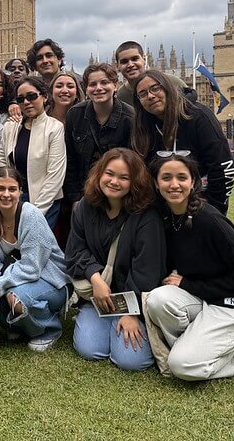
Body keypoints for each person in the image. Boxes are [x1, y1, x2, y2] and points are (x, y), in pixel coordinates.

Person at [145, 154, 234, 381]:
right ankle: (197, 345)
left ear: (193, 182)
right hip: (202, 298)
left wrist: (187, 284)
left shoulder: (210, 221)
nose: (174, 184)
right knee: (157, 300)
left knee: (182, 367)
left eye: (182, 177)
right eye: (166, 178)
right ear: (156, 184)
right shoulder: (167, 218)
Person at [65, 148, 165, 370]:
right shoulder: (85, 207)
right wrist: (95, 278)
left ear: (134, 182)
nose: (114, 181)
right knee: (89, 349)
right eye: (109, 173)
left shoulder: (146, 217)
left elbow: (147, 269)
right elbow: (74, 251)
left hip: (133, 300)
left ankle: (124, 324)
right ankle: (99, 321)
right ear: (99, 173)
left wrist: (130, 312)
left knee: (130, 361)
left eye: (124, 177)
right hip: (97, 297)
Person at [0, 167, 70, 352]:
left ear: (20, 192)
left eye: (12, 189)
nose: (6, 194)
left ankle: (50, 329)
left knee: (15, 296)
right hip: (17, 279)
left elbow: (31, 267)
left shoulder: (31, 215)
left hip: (52, 280)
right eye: (0, 188)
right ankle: (21, 326)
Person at [131, 70, 234, 214]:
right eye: (142, 94)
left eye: (155, 88)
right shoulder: (142, 126)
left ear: (167, 88)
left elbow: (223, 168)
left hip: (201, 206)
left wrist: (215, 210)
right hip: (162, 211)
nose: (150, 96)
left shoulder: (199, 116)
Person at [0, 76, 66, 227]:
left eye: (32, 96)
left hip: (46, 201)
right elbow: (1, 160)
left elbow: (55, 175)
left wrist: (36, 211)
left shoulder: (55, 128)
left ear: (44, 97)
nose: (26, 102)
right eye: (21, 99)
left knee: (36, 246)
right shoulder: (10, 126)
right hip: (14, 199)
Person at [64, 63, 134, 204]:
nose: (98, 88)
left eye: (104, 82)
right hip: (83, 196)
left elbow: (134, 164)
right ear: (86, 88)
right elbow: (70, 160)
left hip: (118, 195)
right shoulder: (75, 114)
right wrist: (75, 199)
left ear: (115, 85)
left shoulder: (130, 118)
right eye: (92, 84)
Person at [115, 40, 193, 107]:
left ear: (144, 59)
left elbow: (195, 110)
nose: (130, 64)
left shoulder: (172, 82)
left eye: (135, 59)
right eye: (124, 61)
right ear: (117, 66)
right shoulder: (121, 95)